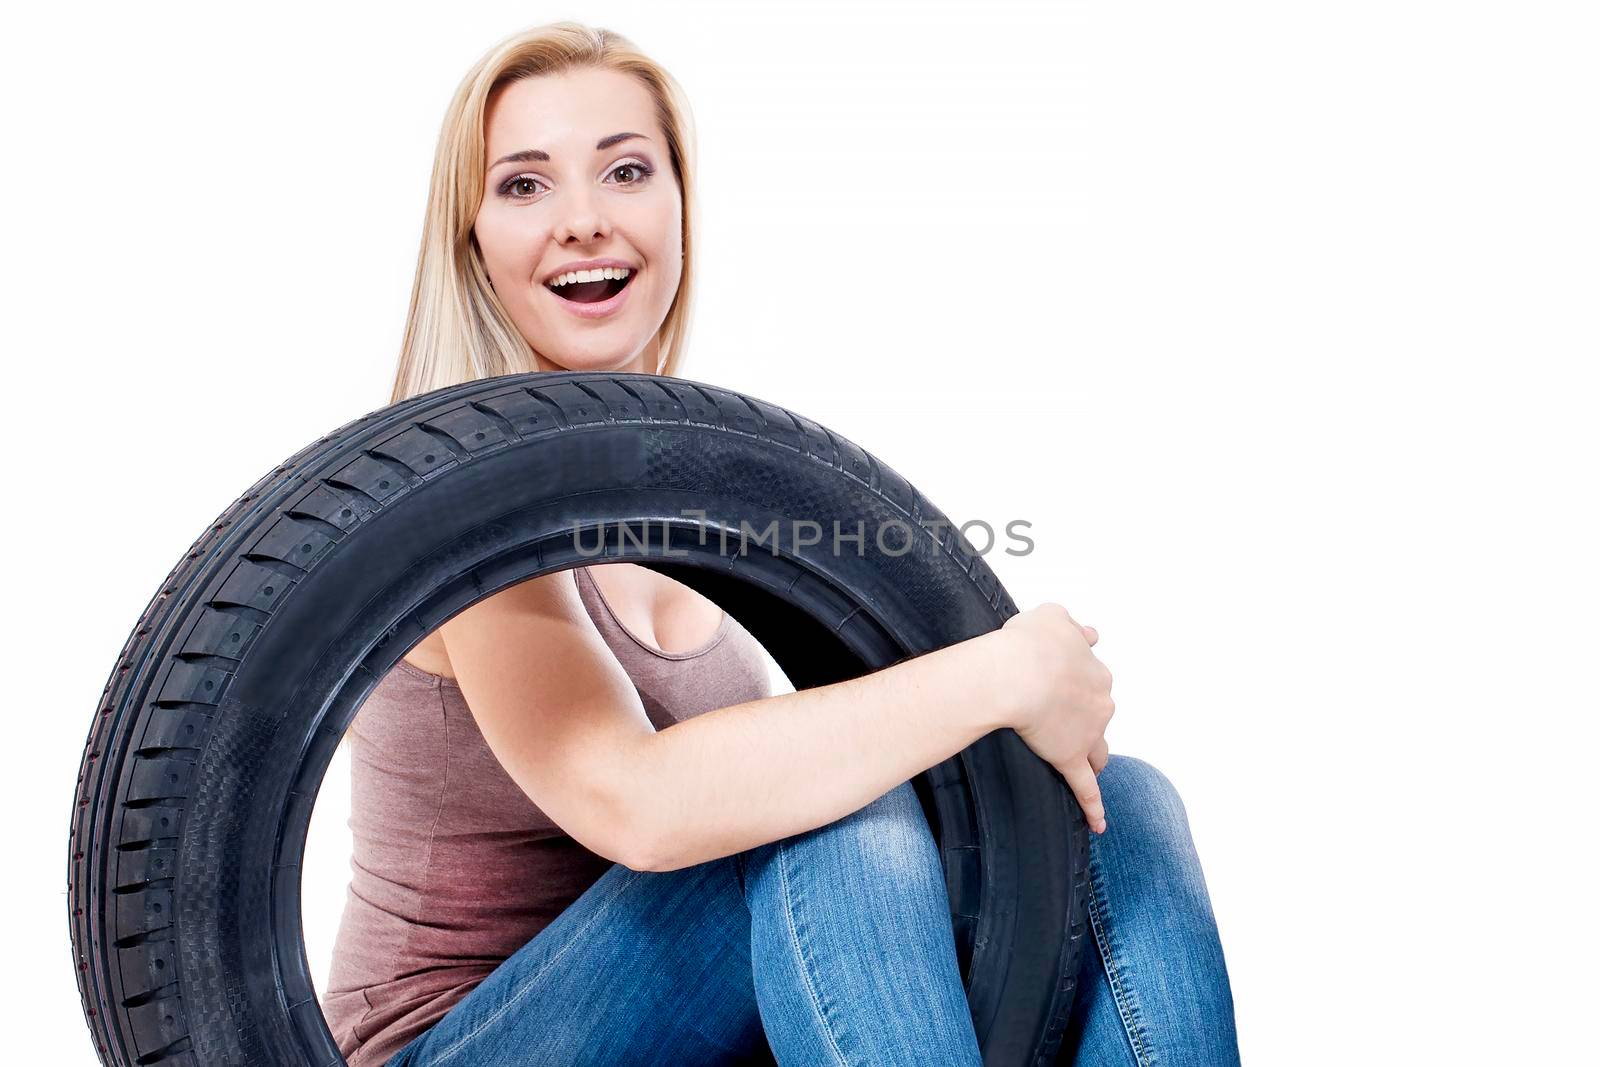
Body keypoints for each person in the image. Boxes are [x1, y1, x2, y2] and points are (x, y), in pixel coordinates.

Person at [319, 20, 1239, 1067]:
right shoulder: (459, 506)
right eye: (525, 185)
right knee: (823, 811)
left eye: (625, 170)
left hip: (692, 1028)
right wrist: (1001, 672)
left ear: (678, 206)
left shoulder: (698, 510)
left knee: (1122, 803)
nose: (584, 220)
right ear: (471, 235)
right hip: (454, 1043)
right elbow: (636, 800)